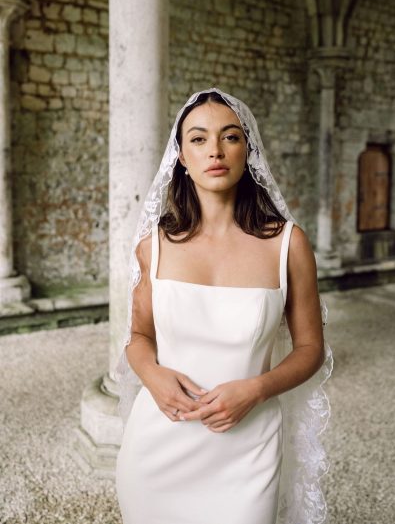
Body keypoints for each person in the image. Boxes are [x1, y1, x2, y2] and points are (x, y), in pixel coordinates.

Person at [114, 88, 333, 524]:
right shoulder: (152, 245)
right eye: (198, 139)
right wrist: (153, 377)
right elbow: (138, 337)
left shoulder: (288, 244)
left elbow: (311, 350)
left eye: (230, 137)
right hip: (159, 444)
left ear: (247, 149)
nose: (214, 150)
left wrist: (256, 389)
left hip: (248, 447)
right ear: (180, 155)